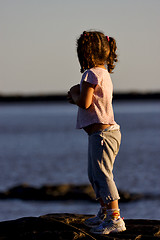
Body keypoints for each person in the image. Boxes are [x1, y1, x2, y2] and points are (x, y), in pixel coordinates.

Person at [67, 30, 126, 235]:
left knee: (102, 175)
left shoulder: (91, 74)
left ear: (86, 54)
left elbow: (84, 102)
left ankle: (115, 218)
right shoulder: (103, 74)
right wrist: (79, 90)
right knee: (95, 175)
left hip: (103, 135)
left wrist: (74, 93)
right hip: (103, 134)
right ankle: (104, 212)